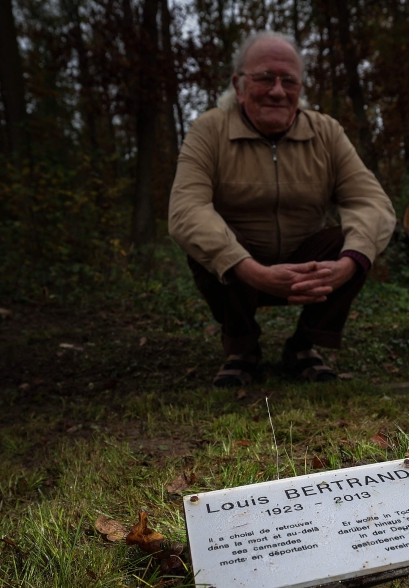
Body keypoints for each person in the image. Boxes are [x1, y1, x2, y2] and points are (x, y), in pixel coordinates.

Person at [169, 31, 395, 387]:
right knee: (208, 241)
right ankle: (242, 350)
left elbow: (371, 202)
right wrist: (250, 269)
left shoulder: (326, 132)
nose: (277, 91)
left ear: (300, 87)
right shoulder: (209, 129)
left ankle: (304, 346)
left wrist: (349, 263)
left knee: (355, 241)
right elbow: (186, 209)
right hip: (241, 266)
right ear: (239, 85)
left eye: (288, 81)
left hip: (306, 265)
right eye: (264, 78)